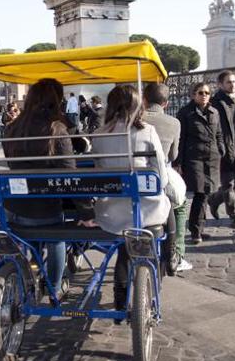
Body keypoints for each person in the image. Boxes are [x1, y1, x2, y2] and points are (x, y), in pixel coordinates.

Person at [3, 78, 95, 302]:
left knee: (37, 228)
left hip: (13, 209)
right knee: (56, 237)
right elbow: (71, 178)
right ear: (56, 101)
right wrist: (86, 214)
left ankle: (32, 271)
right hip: (45, 212)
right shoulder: (57, 131)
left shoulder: (12, 128)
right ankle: (55, 287)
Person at [92, 84, 174, 316]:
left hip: (111, 212)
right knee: (169, 206)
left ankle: (120, 296)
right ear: (137, 105)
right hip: (146, 211)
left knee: (123, 247)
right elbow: (161, 177)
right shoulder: (147, 131)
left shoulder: (98, 135)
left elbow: (97, 172)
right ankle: (169, 258)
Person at [143, 83, 192, 272]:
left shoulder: (135, 120)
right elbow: (173, 155)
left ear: (144, 100)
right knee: (179, 204)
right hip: (156, 178)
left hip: (130, 176)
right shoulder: (173, 123)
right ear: (166, 103)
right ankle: (177, 253)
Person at [174, 82, 225, 244]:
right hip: (194, 159)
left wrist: (221, 149)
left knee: (206, 192)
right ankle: (195, 230)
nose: (204, 96)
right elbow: (180, 139)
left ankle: (198, 229)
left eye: (207, 93)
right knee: (200, 193)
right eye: (200, 93)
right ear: (193, 95)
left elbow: (219, 133)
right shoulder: (185, 113)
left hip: (212, 158)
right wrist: (178, 162)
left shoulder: (214, 112)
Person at [207, 70, 235, 230]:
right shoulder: (216, 103)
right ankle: (234, 216)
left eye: (234, 81)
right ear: (220, 84)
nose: (232, 85)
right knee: (228, 184)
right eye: (228, 82)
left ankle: (214, 200)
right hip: (224, 148)